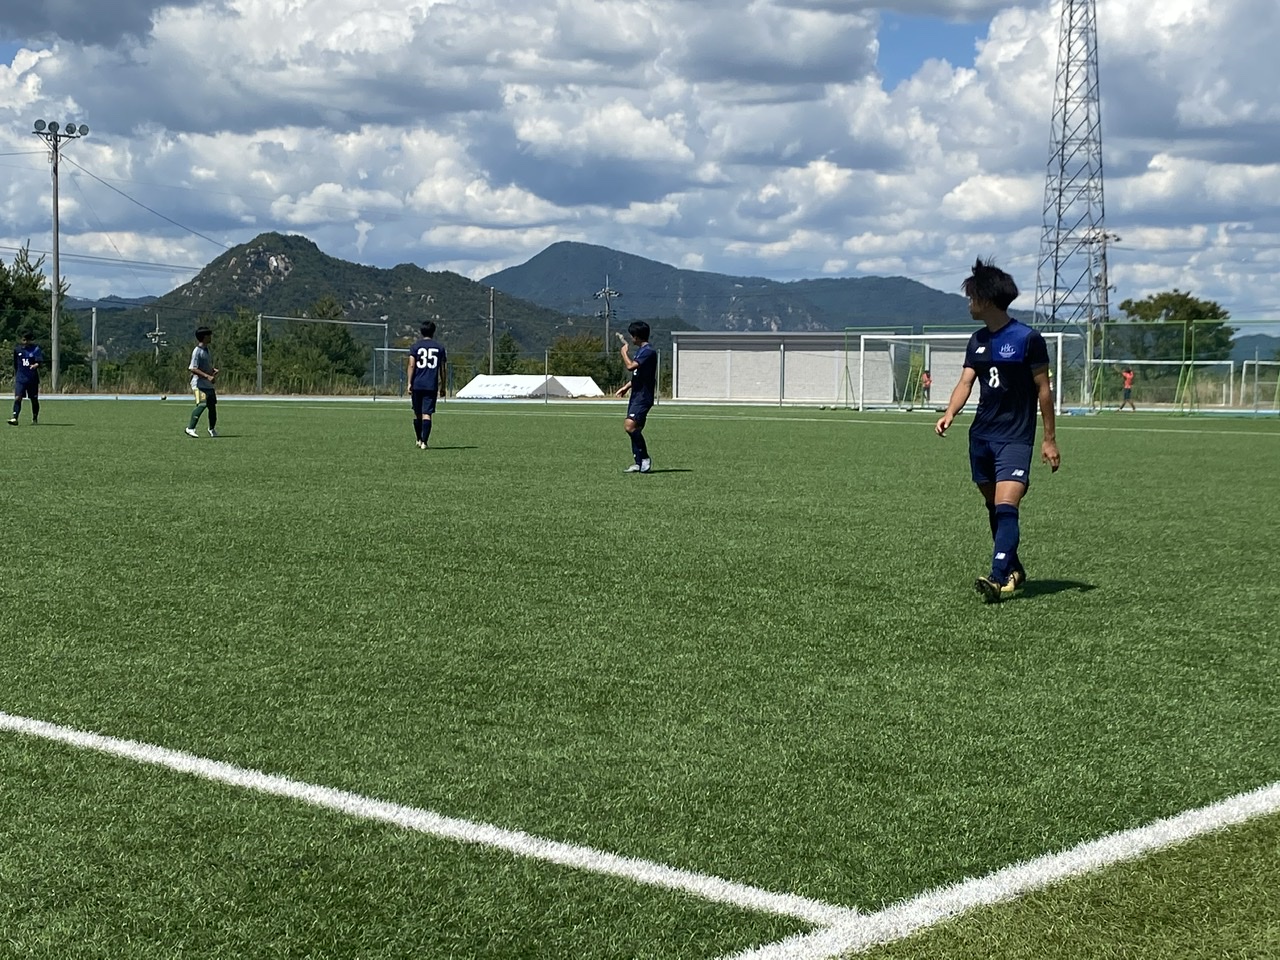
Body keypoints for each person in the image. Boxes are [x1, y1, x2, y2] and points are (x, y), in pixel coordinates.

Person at [935, 258, 1061, 603]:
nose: (968, 303)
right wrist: (950, 413)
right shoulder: (976, 340)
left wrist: (1049, 439)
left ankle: (997, 576)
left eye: (972, 296)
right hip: (981, 438)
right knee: (994, 506)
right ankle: (1014, 568)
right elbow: (966, 381)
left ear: (987, 300)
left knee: (1007, 506)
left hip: (1015, 438)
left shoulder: (1027, 339)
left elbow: (1044, 390)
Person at [618, 322, 658, 473]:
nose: (631, 338)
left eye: (632, 335)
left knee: (629, 426)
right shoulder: (642, 351)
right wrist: (626, 387)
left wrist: (624, 353)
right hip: (636, 395)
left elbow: (631, 367)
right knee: (635, 429)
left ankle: (645, 458)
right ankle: (638, 462)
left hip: (643, 396)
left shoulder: (648, 352)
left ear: (637, 336)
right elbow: (639, 375)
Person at [406, 320, 447, 449]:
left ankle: (418, 439)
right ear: (433, 332)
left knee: (417, 413)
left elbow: (411, 365)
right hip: (431, 385)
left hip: (417, 384)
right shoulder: (439, 348)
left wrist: (409, 383)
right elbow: (443, 369)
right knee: (427, 414)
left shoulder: (415, 347)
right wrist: (443, 386)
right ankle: (424, 442)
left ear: (421, 332)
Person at [185, 326, 219, 438]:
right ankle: (190, 428)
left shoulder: (207, 350)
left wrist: (212, 370)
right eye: (209, 335)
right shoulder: (197, 351)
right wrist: (207, 376)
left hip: (208, 384)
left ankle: (212, 429)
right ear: (204, 337)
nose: (211, 337)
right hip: (198, 384)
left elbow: (203, 366)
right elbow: (193, 368)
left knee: (212, 407)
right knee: (202, 403)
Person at [9, 330, 42, 426]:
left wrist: (35, 365)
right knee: (18, 397)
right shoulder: (17, 350)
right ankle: (15, 417)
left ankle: (35, 418)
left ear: (30, 340)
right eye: (23, 340)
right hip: (21, 378)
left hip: (32, 379)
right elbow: (15, 363)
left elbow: (39, 362)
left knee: (33, 399)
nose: (25, 342)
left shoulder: (35, 349)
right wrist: (16, 374)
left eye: (27, 340)